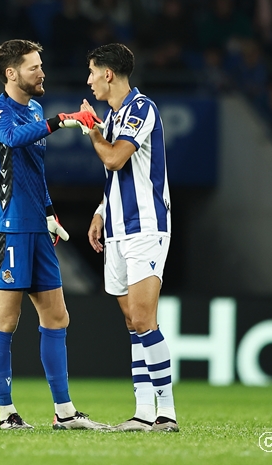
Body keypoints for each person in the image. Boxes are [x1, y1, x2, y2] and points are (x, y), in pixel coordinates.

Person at [0, 39, 106, 431]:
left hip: (37, 226)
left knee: (57, 316)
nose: (42, 73)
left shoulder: (33, 109)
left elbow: (34, 169)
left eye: (41, 66)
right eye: (34, 67)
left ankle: (64, 412)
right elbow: (16, 140)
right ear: (11, 73)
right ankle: (7, 414)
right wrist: (61, 121)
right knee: (6, 318)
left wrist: (50, 213)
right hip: (6, 227)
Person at [81, 43, 178, 432]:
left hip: (146, 229)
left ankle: (166, 413)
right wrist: (101, 213)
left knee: (143, 318)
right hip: (119, 230)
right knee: (131, 322)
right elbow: (117, 177)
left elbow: (114, 159)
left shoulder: (141, 109)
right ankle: (141, 412)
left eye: (91, 72)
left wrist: (90, 130)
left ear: (108, 73)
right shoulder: (113, 116)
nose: (88, 80)